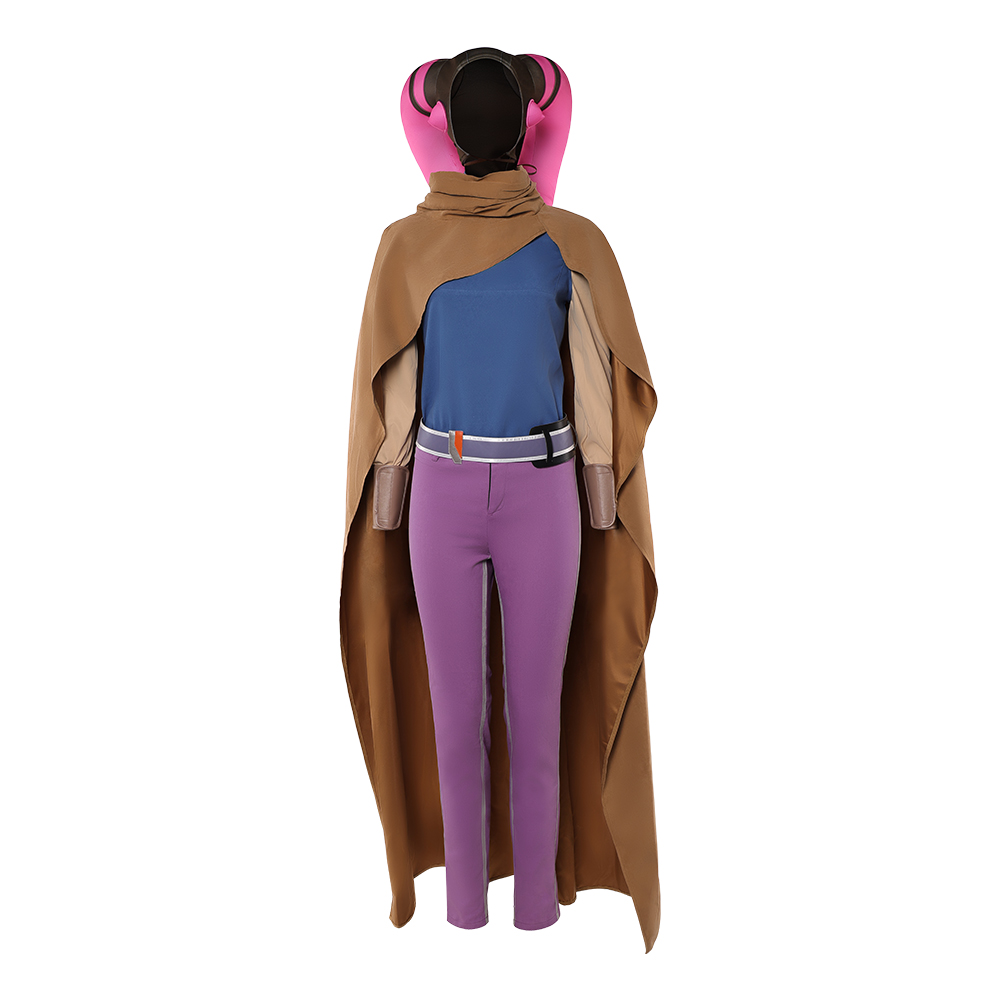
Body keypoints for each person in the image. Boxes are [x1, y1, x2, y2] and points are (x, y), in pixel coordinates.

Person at [340, 47, 662, 951]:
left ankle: (534, 910)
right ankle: (466, 909)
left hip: (542, 493)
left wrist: (597, 482)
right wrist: (391, 485)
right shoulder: (407, 244)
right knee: (456, 713)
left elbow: (590, 370)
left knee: (536, 711)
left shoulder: (568, 241)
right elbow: (399, 373)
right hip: (442, 493)